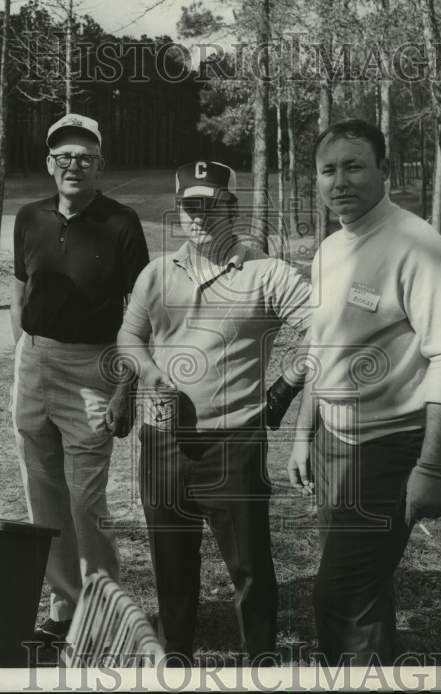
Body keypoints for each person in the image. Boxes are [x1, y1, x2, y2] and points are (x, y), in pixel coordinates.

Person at [287, 119, 441, 666]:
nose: (340, 181)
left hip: (388, 449)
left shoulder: (418, 246)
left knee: (340, 595)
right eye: (328, 170)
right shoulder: (329, 249)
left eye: (354, 166)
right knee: (363, 591)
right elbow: (322, 349)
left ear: (384, 172)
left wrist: (433, 468)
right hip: (334, 444)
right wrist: (305, 433)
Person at [116, 161, 310, 664]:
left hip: (234, 444)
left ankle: (260, 665)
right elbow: (130, 336)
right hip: (163, 443)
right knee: (171, 568)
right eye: (190, 206)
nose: (200, 216)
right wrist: (147, 370)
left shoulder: (266, 273)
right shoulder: (157, 272)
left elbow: (326, 330)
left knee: (250, 571)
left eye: (212, 205)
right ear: (179, 212)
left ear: (232, 208)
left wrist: (285, 387)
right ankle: (175, 660)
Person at [11, 112, 149, 647]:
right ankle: (63, 607)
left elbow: (142, 312)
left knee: (86, 502)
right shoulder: (28, 217)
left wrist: (125, 387)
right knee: (41, 495)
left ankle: (105, 612)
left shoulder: (121, 222)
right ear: (49, 164)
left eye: (85, 157)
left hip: (95, 366)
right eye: (64, 157)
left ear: (100, 163)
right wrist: (21, 354)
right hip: (35, 361)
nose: (75, 165)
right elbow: (21, 293)